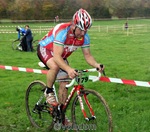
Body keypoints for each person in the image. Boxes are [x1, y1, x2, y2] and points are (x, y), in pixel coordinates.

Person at [37, 8, 104, 124]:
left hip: (59, 55)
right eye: (81, 30)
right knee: (55, 66)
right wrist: (68, 69)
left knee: (65, 83)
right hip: (46, 49)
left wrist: (97, 64)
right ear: (74, 25)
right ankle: (48, 92)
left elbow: (88, 56)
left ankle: (60, 113)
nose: (83, 33)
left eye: (86, 31)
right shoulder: (62, 31)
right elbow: (57, 57)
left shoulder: (84, 37)